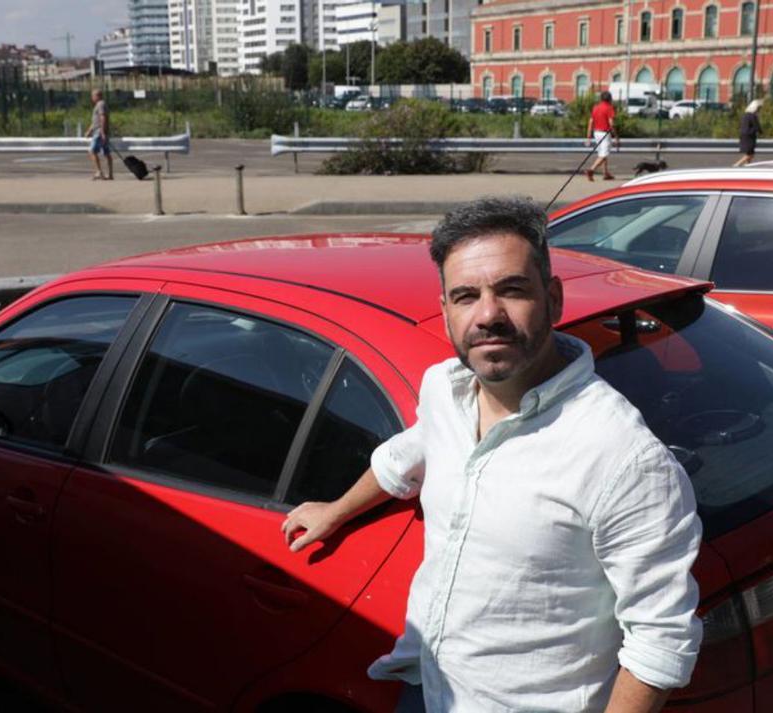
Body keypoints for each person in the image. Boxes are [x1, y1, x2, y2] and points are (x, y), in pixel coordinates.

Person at [282, 196, 703, 713]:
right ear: (445, 310)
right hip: (426, 685)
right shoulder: (445, 390)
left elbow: (660, 642)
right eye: (465, 296)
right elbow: (407, 454)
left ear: (553, 299)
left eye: (512, 290)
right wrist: (336, 510)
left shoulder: (622, 458)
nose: (487, 315)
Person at [586, 91, 620, 181]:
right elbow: (611, 123)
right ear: (610, 99)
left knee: (602, 153)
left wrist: (588, 137)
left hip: (596, 133)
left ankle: (605, 173)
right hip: (605, 133)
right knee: (604, 154)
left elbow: (590, 122)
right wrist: (616, 137)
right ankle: (591, 170)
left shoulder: (595, 107)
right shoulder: (609, 108)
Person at [87, 90, 113, 180]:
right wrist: (89, 130)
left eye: (92, 96)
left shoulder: (100, 104)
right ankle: (110, 174)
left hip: (99, 132)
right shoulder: (100, 104)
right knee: (106, 153)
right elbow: (96, 121)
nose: (92, 98)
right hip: (100, 131)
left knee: (92, 151)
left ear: (97, 96)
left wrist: (102, 131)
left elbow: (103, 117)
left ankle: (99, 171)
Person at [734, 99, 763, 167]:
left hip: (744, 135)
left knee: (750, 153)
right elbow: (757, 126)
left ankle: (747, 166)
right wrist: (761, 132)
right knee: (750, 154)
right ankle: (737, 164)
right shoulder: (753, 116)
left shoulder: (745, 115)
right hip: (750, 137)